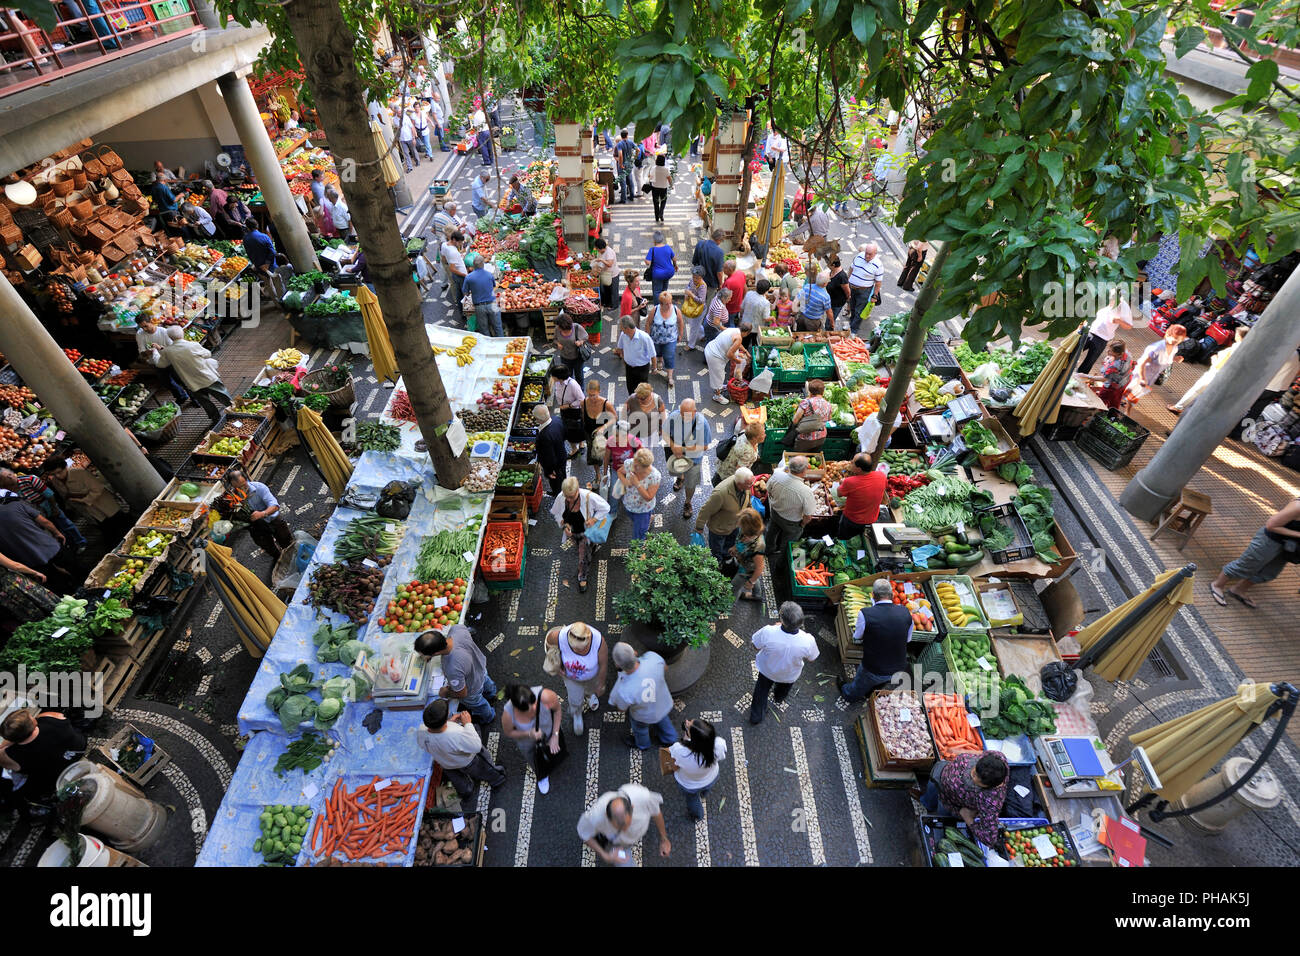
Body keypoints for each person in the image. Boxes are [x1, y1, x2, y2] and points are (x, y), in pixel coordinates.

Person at [1209, 496, 1300, 608]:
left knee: (1269, 572)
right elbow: (1271, 525)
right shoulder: (1297, 507)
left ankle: (1238, 590)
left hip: (1287, 546)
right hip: (1269, 541)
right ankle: (1217, 585)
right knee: (1247, 564)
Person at [838, 578, 912, 702]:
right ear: (892, 595)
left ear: (873, 595)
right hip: (898, 667)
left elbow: (857, 636)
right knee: (879, 683)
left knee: (858, 685)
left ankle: (848, 694)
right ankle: (869, 694)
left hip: (873, 667)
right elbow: (908, 639)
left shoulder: (865, 613)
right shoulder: (905, 612)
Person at [919, 751, 1010, 848]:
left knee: (941, 817)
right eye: (975, 770)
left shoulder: (990, 802)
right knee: (930, 794)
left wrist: (968, 818)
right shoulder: (999, 758)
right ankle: (925, 805)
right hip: (941, 772)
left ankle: (929, 812)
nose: (971, 774)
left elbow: (989, 838)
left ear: (988, 786)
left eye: (976, 778)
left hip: (949, 801)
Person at [416, 700, 506, 800]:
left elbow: (428, 742)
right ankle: (497, 779)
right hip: (468, 762)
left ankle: (466, 790)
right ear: (445, 718)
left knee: (458, 780)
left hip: (446, 764)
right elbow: (476, 746)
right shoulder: (456, 734)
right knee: (485, 769)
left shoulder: (421, 731)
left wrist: (449, 723)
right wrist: (467, 724)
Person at [749, 601, 819, 724]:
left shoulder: (768, 632)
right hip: (789, 675)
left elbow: (755, 646)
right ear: (801, 622)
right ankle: (778, 698)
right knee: (783, 689)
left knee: (761, 691)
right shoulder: (808, 640)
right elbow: (812, 659)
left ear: (781, 619)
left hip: (767, 671)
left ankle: (756, 716)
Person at [0, 710, 86, 807]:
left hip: (56, 775)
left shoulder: (11, 755)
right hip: (78, 751)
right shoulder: (50, 719)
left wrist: (12, 738)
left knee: (26, 790)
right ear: (33, 722)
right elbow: (41, 716)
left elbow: (1, 751)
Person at [415, 624, 498, 724]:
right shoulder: (457, 630)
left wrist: (446, 692)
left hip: (472, 687)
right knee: (486, 682)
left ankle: (488, 717)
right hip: (480, 668)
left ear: (435, 653)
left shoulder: (452, 667)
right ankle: (492, 695)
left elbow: (462, 693)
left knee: (479, 704)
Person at [150, 326, 231, 424]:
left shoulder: (168, 351)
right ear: (182, 333)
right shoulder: (192, 345)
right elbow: (207, 354)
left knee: (205, 402)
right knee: (223, 395)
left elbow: (160, 364)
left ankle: (216, 419)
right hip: (207, 377)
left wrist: (155, 352)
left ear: (170, 337)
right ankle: (235, 410)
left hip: (192, 383)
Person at [39, 459, 130, 543]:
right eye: (53, 474)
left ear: (65, 467)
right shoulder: (55, 481)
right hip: (90, 512)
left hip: (104, 505)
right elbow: (65, 496)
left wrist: (84, 500)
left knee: (123, 524)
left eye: (59, 472)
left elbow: (98, 488)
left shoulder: (80, 473)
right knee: (108, 530)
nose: (57, 476)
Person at [577, 784, 671, 865]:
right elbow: (584, 835)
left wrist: (664, 839)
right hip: (616, 844)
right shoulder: (595, 816)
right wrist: (605, 856)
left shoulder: (643, 797)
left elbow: (656, 812)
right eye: (619, 827)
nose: (625, 830)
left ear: (632, 807)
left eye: (628, 824)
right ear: (606, 816)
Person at [609, 642, 677, 750]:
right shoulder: (653, 658)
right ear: (634, 653)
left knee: (640, 730)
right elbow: (665, 668)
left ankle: (643, 745)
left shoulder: (623, 689)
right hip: (663, 704)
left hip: (643, 716)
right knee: (663, 719)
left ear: (618, 665)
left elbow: (621, 709)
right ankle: (670, 739)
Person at [544, 621, 608, 735]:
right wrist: (555, 662)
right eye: (573, 648)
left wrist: (601, 683)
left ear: (588, 643)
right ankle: (577, 713)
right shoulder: (559, 636)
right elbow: (548, 642)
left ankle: (589, 696)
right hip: (571, 678)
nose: (576, 651)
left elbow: (603, 663)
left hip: (592, 677)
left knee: (591, 689)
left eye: (581, 649)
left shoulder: (598, 641)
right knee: (575, 699)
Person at [0, 467, 84, 552]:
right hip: (36, 514)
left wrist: (54, 508)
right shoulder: (7, 491)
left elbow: (49, 494)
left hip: (48, 506)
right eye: (6, 478)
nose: (10, 477)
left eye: (10, 474)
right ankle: (69, 545)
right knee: (55, 530)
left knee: (66, 524)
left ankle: (81, 542)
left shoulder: (30, 479)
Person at [1170, 327, 1248, 416]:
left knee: (1196, 390)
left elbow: (1220, 364)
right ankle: (1187, 410)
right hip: (1225, 377)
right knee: (1204, 394)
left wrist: (1214, 359)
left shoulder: (1235, 348)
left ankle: (1179, 407)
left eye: (1237, 334)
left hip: (1215, 373)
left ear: (1239, 336)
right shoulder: (1244, 349)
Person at [500, 684, 563, 793]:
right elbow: (509, 732)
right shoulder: (508, 715)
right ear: (516, 709)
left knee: (554, 752)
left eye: (535, 704)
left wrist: (555, 735)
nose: (535, 710)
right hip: (529, 744)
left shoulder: (545, 696)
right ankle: (542, 775)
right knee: (536, 762)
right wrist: (528, 733)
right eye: (529, 711)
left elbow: (557, 710)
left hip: (549, 732)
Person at [550, 476, 608, 592]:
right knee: (581, 548)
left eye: (572, 497)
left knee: (583, 556)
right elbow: (556, 513)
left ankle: (582, 577)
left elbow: (605, 508)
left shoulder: (589, 497)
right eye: (567, 497)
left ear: (578, 491)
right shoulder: (561, 497)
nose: (569, 500)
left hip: (585, 532)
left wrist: (594, 520)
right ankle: (592, 546)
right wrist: (564, 526)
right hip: (572, 533)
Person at [222, 466, 291, 560]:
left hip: (272, 519)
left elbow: (275, 506)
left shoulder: (259, 488)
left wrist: (262, 513)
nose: (242, 488)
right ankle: (279, 558)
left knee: (286, 541)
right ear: (233, 486)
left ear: (247, 480)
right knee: (268, 547)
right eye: (238, 488)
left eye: (243, 485)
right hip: (256, 527)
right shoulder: (233, 498)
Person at [0, 480, 66, 577]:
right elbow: (45, 522)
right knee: (74, 569)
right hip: (49, 547)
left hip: (29, 560)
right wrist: (57, 533)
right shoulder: (15, 505)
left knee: (55, 579)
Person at [668, 716, 727, 820]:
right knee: (705, 789)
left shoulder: (679, 750)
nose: (686, 721)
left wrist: (685, 739)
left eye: (688, 726)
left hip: (690, 785)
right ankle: (703, 794)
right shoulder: (719, 744)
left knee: (692, 800)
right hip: (710, 777)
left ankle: (697, 815)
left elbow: (674, 766)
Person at [663, 398, 713, 518]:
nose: (683, 417)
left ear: (695, 411)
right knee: (676, 470)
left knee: (691, 484)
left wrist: (683, 449)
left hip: (694, 459)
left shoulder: (703, 424)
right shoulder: (674, 416)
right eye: (682, 413)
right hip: (675, 454)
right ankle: (680, 477)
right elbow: (664, 433)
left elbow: (705, 446)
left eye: (687, 414)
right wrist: (673, 445)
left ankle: (688, 502)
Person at [694, 467, 755, 565]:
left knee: (730, 544)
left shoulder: (746, 486)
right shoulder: (721, 493)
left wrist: (750, 511)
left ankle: (727, 557)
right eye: (749, 484)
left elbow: (747, 499)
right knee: (717, 549)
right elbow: (706, 510)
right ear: (739, 483)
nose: (752, 485)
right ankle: (717, 563)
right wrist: (699, 527)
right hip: (719, 529)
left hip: (734, 525)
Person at [764, 456, 817, 559]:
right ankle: (780, 563)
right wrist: (802, 525)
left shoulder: (777, 475)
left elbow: (768, 489)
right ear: (804, 471)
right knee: (787, 544)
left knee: (771, 532)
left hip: (775, 513)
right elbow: (808, 516)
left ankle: (767, 551)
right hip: (792, 523)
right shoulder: (805, 492)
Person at [1124, 325, 1187, 410]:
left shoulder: (1174, 348)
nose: (1176, 342)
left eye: (1179, 340)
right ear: (1168, 334)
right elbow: (1142, 363)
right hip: (1141, 374)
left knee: (1136, 394)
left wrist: (1175, 359)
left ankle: (1127, 409)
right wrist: (1142, 378)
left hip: (1151, 376)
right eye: (1175, 338)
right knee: (1128, 390)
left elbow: (1166, 359)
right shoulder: (1156, 348)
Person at [0, 546, 58, 632]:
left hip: (3, 595)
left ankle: (51, 632)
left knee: (31, 614)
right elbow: (16, 566)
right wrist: (35, 572)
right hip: (14, 584)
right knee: (47, 603)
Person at [832, 454, 887, 538]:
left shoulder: (850, 482)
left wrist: (842, 483)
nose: (850, 462)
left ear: (858, 469)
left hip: (852, 520)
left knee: (845, 538)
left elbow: (839, 493)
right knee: (863, 539)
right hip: (872, 519)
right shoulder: (882, 476)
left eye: (853, 462)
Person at [1078, 294, 1135, 374]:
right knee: (1072, 353)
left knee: (1088, 363)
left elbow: (1129, 326)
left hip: (1101, 339)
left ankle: (1076, 380)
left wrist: (1118, 321)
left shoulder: (1123, 306)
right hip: (1088, 331)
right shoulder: (1102, 294)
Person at [618, 447, 661, 540]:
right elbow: (620, 472)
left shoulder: (655, 476)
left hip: (643, 509)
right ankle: (648, 520)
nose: (633, 468)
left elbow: (649, 497)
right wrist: (625, 482)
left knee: (638, 535)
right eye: (634, 463)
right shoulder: (630, 463)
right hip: (628, 503)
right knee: (635, 520)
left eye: (637, 466)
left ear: (646, 467)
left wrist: (637, 483)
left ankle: (637, 551)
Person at [647, 290, 684, 388]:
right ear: (661, 304)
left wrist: (680, 334)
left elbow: (680, 322)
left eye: (670, 303)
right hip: (656, 339)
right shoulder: (655, 310)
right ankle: (659, 361)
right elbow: (648, 323)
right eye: (666, 304)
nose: (669, 305)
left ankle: (670, 376)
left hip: (670, 340)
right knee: (657, 351)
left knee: (669, 356)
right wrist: (648, 336)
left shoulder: (676, 310)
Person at [581, 380, 617, 480]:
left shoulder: (606, 404)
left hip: (605, 435)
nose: (592, 398)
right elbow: (583, 417)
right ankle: (598, 474)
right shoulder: (583, 403)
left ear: (599, 392)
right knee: (594, 457)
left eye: (594, 395)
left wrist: (603, 427)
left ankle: (609, 472)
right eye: (590, 395)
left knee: (609, 456)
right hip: (590, 434)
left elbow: (614, 417)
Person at [847, 242, 884, 335]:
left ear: (875, 253)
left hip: (864, 291)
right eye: (866, 253)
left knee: (859, 311)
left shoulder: (878, 265)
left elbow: (878, 283)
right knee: (852, 307)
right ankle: (851, 324)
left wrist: (874, 295)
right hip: (852, 288)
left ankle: (853, 330)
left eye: (869, 254)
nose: (866, 256)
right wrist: (847, 281)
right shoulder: (859, 256)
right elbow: (851, 269)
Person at [1084, 339, 1133, 410]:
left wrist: (1087, 376)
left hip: (1112, 386)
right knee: (1115, 401)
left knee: (1101, 400)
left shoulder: (1114, 365)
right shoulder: (1126, 352)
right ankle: (1112, 416)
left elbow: (1104, 378)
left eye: (1111, 351)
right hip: (1124, 381)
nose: (1108, 351)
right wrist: (1110, 358)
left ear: (1118, 354)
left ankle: (1096, 413)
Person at [731, 507, 767, 600]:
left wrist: (751, 582)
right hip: (743, 563)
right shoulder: (745, 530)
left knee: (733, 589)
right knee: (753, 576)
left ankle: (725, 612)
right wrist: (735, 547)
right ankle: (757, 595)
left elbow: (759, 567)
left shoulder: (758, 546)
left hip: (745, 571)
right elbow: (740, 539)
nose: (739, 526)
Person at [463, 255, 503, 337]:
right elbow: (493, 286)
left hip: (479, 307)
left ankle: (488, 347)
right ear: (483, 264)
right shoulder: (489, 275)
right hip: (493, 304)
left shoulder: (468, 277)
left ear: (473, 265)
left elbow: (465, 293)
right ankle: (501, 343)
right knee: (498, 327)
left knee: (484, 329)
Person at [790, 379, 834, 452]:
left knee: (799, 457)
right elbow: (829, 419)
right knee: (812, 458)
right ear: (823, 391)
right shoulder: (828, 404)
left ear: (810, 391)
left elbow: (795, 420)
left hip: (805, 438)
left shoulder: (806, 402)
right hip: (821, 437)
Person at [615, 314, 656, 392]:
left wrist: (654, 368)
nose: (620, 328)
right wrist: (624, 358)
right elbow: (620, 348)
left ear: (627, 328)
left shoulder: (644, 337)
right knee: (630, 388)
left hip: (642, 369)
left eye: (621, 327)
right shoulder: (623, 335)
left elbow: (653, 354)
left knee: (643, 391)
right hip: (629, 368)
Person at [535, 405, 569, 497]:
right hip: (561, 455)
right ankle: (559, 492)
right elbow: (565, 434)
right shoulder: (557, 420)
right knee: (562, 477)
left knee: (556, 482)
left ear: (539, 419)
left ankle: (559, 496)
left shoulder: (544, 436)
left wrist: (550, 471)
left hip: (555, 465)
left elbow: (549, 456)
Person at [691, 229, 727, 315]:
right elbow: (719, 272)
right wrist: (720, 283)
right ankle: (703, 321)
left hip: (698, 280)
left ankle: (694, 313)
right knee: (707, 303)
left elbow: (694, 261)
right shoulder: (719, 252)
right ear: (719, 240)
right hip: (711, 283)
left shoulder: (700, 244)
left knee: (697, 297)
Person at [624, 381, 666, 448]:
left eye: (642, 398)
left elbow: (663, 414)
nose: (639, 400)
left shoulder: (657, 399)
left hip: (649, 433)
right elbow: (624, 411)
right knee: (634, 451)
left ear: (649, 394)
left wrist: (662, 428)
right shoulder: (632, 398)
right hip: (634, 432)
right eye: (638, 397)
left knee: (646, 452)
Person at [552, 313, 590, 388]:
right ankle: (570, 391)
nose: (558, 328)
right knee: (567, 377)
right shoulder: (557, 329)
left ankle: (580, 393)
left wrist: (580, 342)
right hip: (565, 357)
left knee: (579, 376)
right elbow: (554, 340)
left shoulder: (577, 327)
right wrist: (557, 343)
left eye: (560, 327)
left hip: (577, 358)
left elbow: (586, 337)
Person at [442, 232, 468, 322]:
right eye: (459, 242)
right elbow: (452, 268)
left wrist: (457, 257)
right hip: (460, 275)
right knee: (464, 294)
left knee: (459, 293)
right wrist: (465, 275)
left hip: (456, 275)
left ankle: (462, 312)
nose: (460, 244)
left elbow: (444, 258)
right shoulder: (453, 252)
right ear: (454, 240)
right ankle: (465, 313)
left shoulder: (444, 245)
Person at [242, 221, 278, 285]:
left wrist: (255, 264)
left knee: (268, 284)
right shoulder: (264, 236)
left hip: (259, 266)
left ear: (247, 227)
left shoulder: (245, 239)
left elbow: (249, 253)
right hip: (270, 265)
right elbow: (272, 252)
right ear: (257, 225)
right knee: (277, 284)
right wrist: (267, 264)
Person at [644, 231, 677, 300]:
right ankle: (665, 302)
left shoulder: (652, 249)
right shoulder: (668, 247)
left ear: (654, 240)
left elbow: (648, 262)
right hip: (669, 272)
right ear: (662, 239)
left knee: (657, 291)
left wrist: (646, 260)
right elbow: (674, 259)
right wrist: (675, 266)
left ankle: (658, 307)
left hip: (658, 274)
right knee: (664, 289)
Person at [683, 267, 709, 348]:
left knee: (693, 327)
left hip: (699, 309)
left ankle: (691, 345)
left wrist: (691, 295)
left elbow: (701, 301)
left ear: (701, 277)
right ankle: (702, 335)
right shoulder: (692, 281)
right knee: (693, 323)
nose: (694, 279)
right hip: (692, 306)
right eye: (693, 277)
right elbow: (688, 287)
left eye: (697, 278)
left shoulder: (702, 287)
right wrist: (687, 293)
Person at [592, 237, 618, 310]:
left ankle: (614, 305)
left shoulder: (609, 252)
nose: (596, 250)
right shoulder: (603, 251)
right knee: (607, 290)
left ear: (601, 248)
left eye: (597, 248)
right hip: (606, 274)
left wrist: (601, 260)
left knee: (613, 291)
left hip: (612, 274)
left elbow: (610, 264)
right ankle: (607, 303)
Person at [614, 129, 636, 204]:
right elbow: (638, 150)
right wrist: (634, 158)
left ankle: (623, 199)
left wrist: (620, 164)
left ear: (621, 135)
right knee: (630, 180)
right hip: (629, 163)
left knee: (623, 182)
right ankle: (632, 196)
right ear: (627, 135)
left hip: (623, 165)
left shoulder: (619, 144)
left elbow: (620, 155)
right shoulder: (631, 142)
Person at [649, 152, 673, 222]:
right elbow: (669, 178)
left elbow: (650, 177)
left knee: (655, 203)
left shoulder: (653, 168)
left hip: (655, 187)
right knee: (663, 201)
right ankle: (661, 213)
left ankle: (656, 217)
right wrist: (671, 185)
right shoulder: (666, 169)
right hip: (663, 188)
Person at [722, 261, 747, 325]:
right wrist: (742, 300)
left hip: (730, 309)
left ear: (730, 270)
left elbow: (723, 298)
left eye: (724, 268)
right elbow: (745, 288)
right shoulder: (741, 273)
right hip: (739, 305)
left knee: (729, 324)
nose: (722, 269)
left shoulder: (728, 283)